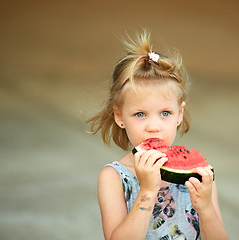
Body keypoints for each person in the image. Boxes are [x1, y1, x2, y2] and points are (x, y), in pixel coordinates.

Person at [87, 30, 228, 240]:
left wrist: (206, 208)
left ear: (179, 114)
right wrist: (147, 191)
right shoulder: (113, 178)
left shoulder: (199, 175)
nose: (154, 127)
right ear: (119, 117)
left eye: (165, 113)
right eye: (140, 114)